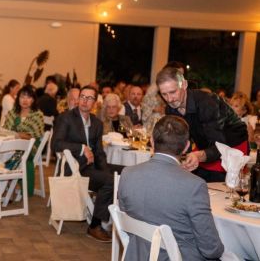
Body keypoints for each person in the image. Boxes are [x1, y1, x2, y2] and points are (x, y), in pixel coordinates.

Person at [118, 115, 224, 260]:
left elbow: (127, 219)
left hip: (137, 254)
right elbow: (211, 249)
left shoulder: (127, 173)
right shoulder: (194, 185)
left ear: (151, 141)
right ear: (187, 146)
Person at [156, 67, 248, 182]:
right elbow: (181, 138)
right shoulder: (170, 109)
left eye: (173, 92)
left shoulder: (206, 103)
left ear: (184, 85)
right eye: (164, 94)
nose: (169, 99)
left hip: (232, 147)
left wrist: (197, 156)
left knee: (220, 189)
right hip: (206, 147)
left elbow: (219, 145)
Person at [52, 86, 113, 243]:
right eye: (82, 97)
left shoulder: (97, 123)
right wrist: (81, 148)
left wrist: (104, 170)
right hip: (75, 168)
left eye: (90, 98)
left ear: (95, 103)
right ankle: (95, 225)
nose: (85, 101)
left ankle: (113, 217)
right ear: (78, 99)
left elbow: (99, 152)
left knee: (125, 173)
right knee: (110, 181)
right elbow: (56, 144)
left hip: (91, 167)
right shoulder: (66, 118)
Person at [3, 85, 44, 196]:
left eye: (28, 97)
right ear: (18, 99)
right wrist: (16, 136)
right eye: (22, 97)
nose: (25, 100)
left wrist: (19, 135)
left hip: (31, 146)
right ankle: (5, 186)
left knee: (15, 155)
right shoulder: (12, 113)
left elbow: (35, 136)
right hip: (12, 144)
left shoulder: (37, 115)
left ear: (33, 100)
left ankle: (9, 186)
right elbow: (6, 131)